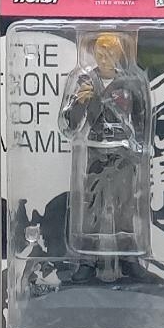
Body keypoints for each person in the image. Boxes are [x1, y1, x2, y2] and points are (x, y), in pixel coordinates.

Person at [58, 33, 152, 283]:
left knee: (125, 206)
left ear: (120, 54)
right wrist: (80, 102)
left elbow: (142, 118)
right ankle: (88, 261)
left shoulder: (130, 82)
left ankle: (129, 259)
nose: (105, 57)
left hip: (123, 151)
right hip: (96, 150)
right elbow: (70, 124)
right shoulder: (85, 81)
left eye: (110, 52)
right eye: (100, 52)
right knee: (91, 207)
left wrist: (141, 146)